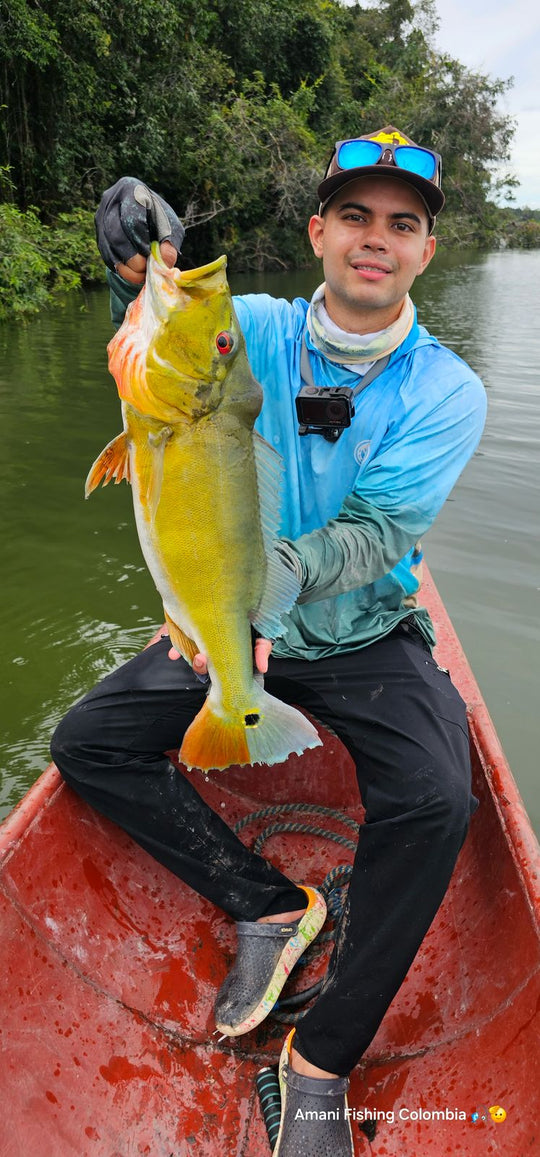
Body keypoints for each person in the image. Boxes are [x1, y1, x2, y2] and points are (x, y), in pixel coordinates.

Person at [51, 126, 487, 1156]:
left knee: (439, 798)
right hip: (229, 625)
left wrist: (264, 597)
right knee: (87, 742)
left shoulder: (448, 391)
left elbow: (375, 535)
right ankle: (269, 903)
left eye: (402, 225)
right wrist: (134, 271)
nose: (375, 239)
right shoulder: (246, 327)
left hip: (363, 630)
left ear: (426, 251)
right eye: (355, 216)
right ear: (317, 232)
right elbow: (157, 359)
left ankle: (320, 1060)